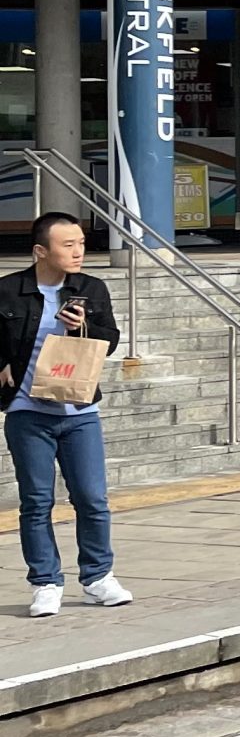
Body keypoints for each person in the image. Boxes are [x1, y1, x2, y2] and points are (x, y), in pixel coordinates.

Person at [0, 213, 130, 614]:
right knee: (36, 501)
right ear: (41, 251)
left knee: (92, 498)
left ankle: (98, 577)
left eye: (81, 244)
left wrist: (82, 327)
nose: (78, 252)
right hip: (27, 412)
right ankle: (45, 583)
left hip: (80, 412)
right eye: (68, 245)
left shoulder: (91, 289)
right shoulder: (8, 290)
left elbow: (110, 341)